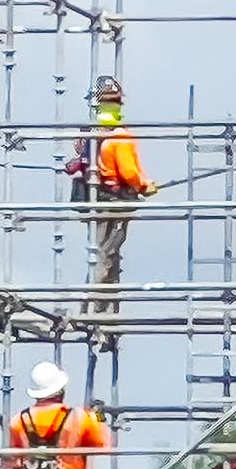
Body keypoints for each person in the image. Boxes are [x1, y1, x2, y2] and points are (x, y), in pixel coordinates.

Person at [71, 75, 157, 311]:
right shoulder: (118, 136)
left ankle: (101, 307)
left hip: (97, 200)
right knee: (107, 255)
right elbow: (128, 171)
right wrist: (144, 185)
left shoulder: (93, 134)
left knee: (103, 252)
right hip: (116, 201)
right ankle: (98, 306)